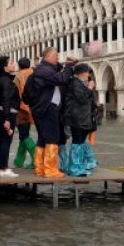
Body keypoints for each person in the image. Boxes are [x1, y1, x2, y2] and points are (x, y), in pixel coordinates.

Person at [29, 47, 76, 178]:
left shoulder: (44, 68)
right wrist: (69, 67)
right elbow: (62, 79)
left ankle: (40, 168)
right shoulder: (44, 70)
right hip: (47, 108)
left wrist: (65, 64)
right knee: (52, 138)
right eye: (56, 56)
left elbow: (57, 70)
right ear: (49, 56)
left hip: (45, 108)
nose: (57, 58)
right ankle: (50, 170)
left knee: (43, 139)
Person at [62, 64, 97, 177]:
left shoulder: (81, 83)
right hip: (76, 118)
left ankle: (79, 166)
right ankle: (74, 168)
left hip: (83, 118)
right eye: (87, 72)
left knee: (80, 142)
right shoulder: (75, 83)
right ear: (82, 72)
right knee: (77, 142)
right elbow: (81, 98)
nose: (89, 74)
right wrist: (90, 88)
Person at [0, 56, 20, 178]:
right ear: (5, 67)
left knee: (2, 141)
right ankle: (4, 168)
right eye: (11, 62)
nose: (13, 64)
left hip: (1, 112)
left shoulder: (0, 78)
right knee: (5, 141)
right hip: (7, 114)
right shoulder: (6, 81)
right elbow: (6, 100)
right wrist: (7, 118)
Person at [13, 57, 36, 169]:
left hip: (22, 109)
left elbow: (16, 94)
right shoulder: (35, 73)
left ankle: (36, 158)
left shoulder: (18, 77)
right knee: (24, 134)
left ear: (19, 65)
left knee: (24, 134)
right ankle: (19, 160)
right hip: (35, 108)